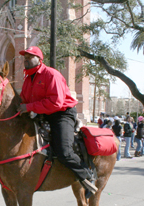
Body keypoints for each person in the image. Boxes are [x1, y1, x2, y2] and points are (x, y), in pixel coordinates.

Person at [17, 46, 97, 194]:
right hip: (42, 113)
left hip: (62, 113)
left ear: (39, 59)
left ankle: (87, 175)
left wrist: (28, 107)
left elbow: (56, 103)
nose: (26, 59)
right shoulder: (28, 79)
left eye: (30, 56)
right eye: (25, 56)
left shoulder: (51, 74)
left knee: (64, 151)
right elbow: (24, 100)